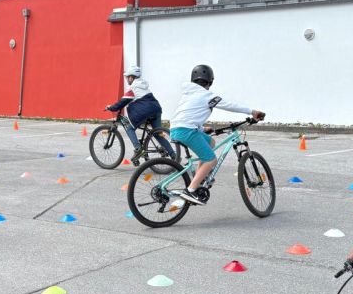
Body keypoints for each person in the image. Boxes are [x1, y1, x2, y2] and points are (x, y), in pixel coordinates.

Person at [167, 64, 265, 205]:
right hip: (186, 130)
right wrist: (252, 111)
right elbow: (229, 105)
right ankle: (191, 190)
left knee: (210, 142)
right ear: (210, 81)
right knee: (211, 160)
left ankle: (200, 178)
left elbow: (188, 115)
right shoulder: (206, 95)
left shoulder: (189, 94)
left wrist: (202, 129)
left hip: (178, 128)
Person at [105, 65, 174, 158]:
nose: (127, 79)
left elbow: (123, 101)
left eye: (127, 77)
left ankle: (138, 149)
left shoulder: (133, 88)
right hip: (156, 109)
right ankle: (174, 156)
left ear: (131, 77)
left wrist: (111, 107)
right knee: (157, 134)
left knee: (129, 128)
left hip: (145, 110)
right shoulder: (144, 86)